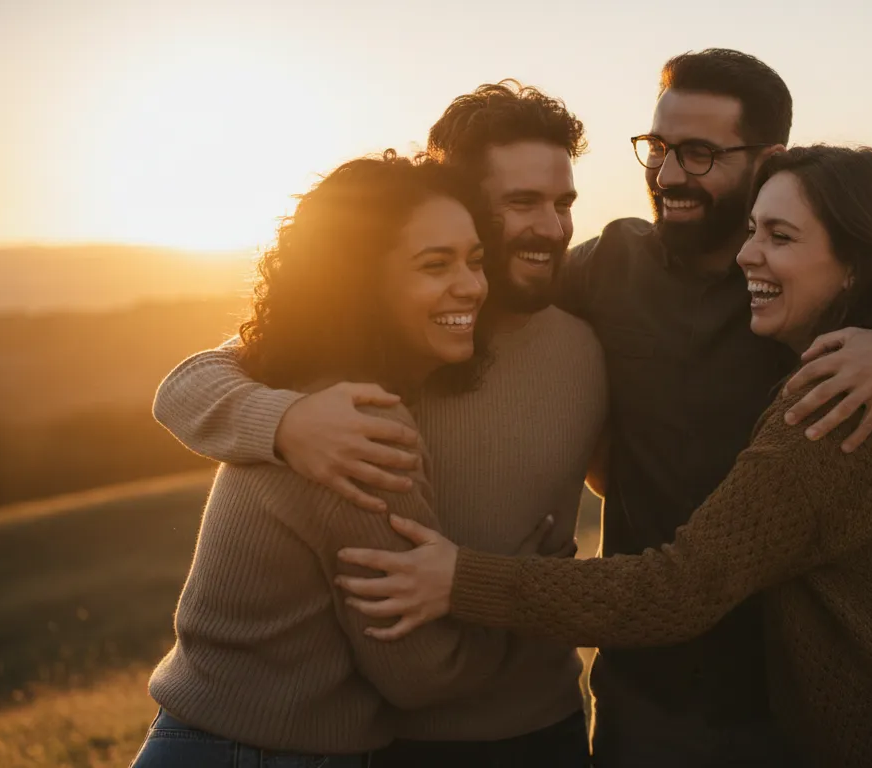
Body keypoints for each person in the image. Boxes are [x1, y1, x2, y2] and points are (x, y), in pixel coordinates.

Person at [156, 52, 872, 766]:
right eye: (658, 148)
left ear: (765, 161)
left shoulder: (792, 284)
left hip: (778, 688)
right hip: (638, 697)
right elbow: (203, 377)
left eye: (701, 154)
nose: (670, 173)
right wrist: (284, 422)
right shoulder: (597, 277)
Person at [334, 145, 872, 767]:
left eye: (780, 238)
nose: (747, 256)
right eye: (754, 230)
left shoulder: (841, 405)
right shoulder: (855, 363)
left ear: (856, 266)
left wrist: (460, 578)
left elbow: (674, 591)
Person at [150, 83, 606, 765]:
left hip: (540, 726)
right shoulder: (361, 377)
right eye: (521, 203)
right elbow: (184, 386)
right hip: (390, 742)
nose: (552, 227)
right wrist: (286, 422)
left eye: (563, 203)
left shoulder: (585, 331)